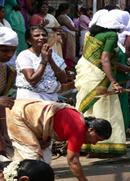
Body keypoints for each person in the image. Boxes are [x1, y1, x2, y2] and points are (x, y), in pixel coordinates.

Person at [6, 99, 112, 181]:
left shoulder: (80, 123)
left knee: (44, 159)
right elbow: (73, 161)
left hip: (26, 112)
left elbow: (51, 122)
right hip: (18, 115)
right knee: (31, 160)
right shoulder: (79, 130)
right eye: (97, 139)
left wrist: (45, 137)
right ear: (91, 130)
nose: (94, 143)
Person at [75, 9, 129, 156]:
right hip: (100, 77)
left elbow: (108, 61)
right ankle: (105, 144)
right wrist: (114, 81)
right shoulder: (111, 35)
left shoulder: (91, 35)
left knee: (87, 109)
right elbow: (106, 60)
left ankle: (82, 143)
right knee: (105, 109)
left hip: (87, 74)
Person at [15, 26, 67, 102]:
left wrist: (51, 60)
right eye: (37, 35)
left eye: (44, 35)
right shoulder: (24, 55)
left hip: (51, 97)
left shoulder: (52, 54)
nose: (41, 37)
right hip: (31, 98)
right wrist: (44, 61)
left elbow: (63, 79)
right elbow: (32, 80)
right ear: (29, 41)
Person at [0, 27, 18, 161]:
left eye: (12, 50)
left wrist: (5, 133)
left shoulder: (8, 71)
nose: (9, 54)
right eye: (5, 50)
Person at [56, 3, 78, 69]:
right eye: (68, 8)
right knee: (68, 51)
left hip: (70, 35)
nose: (69, 10)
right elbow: (71, 27)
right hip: (67, 36)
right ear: (65, 9)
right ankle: (67, 67)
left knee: (70, 51)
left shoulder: (65, 16)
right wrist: (76, 29)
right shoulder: (62, 17)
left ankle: (69, 66)